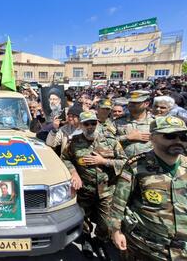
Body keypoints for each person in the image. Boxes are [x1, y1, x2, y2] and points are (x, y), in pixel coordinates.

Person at [109, 116, 187, 260]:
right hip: (146, 247)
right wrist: (116, 230)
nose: (178, 141)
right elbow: (119, 202)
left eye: (183, 136)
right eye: (170, 136)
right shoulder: (136, 166)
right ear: (153, 138)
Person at [61, 111, 127, 260]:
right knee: (83, 218)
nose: (90, 126)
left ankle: (100, 241)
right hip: (85, 190)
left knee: (105, 223)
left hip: (107, 190)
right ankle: (86, 241)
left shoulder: (111, 141)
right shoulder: (74, 142)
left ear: (97, 123)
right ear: (81, 125)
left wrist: (104, 162)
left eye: (93, 123)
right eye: (87, 124)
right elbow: (65, 158)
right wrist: (74, 173)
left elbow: (125, 162)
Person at [115, 90, 154, 158]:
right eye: (130, 102)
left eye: (136, 102)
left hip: (149, 164)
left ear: (146, 104)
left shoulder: (155, 122)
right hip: (124, 163)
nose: (131, 104)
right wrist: (127, 137)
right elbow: (105, 141)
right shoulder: (118, 121)